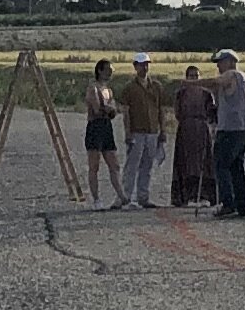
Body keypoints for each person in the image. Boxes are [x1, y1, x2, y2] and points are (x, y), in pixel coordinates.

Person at [117, 52, 172, 208]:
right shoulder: (129, 88)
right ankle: (126, 196)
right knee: (132, 166)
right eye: (142, 64)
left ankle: (143, 196)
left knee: (147, 166)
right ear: (135, 66)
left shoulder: (156, 86)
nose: (145, 67)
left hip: (152, 131)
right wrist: (127, 132)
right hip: (137, 131)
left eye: (147, 64)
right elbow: (126, 112)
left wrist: (163, 130)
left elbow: (161, 109)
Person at [207, 49, 245, 217]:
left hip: (231, 129)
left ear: (230, 61)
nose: (218, 66)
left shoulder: (232, 75)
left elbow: (214, 82)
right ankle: (242, 205)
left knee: (221, 164)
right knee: (236, 166)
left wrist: (190, 83)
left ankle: (228, 202)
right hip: (244, 128)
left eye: (220, 62)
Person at [171, 61, 216, 207]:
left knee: (203, 162)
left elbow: (212, 113)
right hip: (185, 129)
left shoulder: (206, 94)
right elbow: (177, 112)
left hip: (202, 128)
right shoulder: (181, 94)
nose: (194, 79)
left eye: (196, 76)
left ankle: (204, 195)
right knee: (186, 162)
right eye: (191, 76)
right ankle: (186, 196)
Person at [82, 58, 122, 208]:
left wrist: (110, 109)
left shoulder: (109, 91)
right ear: (100, 70)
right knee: (94, 165)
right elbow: (98, 109)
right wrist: (109, 109)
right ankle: (96, 199)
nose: (110, 74)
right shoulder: (93, 89)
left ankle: (121, 195)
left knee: (114, 164)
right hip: (95, 128)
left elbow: (113, 110)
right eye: (108, 70)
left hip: (106, 128)